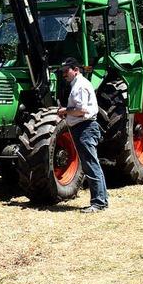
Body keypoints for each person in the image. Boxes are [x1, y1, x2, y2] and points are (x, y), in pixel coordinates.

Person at [57, 57, 108, 213]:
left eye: (67, 71)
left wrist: (65, 111)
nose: (64, 74)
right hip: (84, 127)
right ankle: (101, 200)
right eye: (63, 72)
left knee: (91, 165)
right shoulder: (79, 84)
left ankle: (98, 203)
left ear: (76, 70)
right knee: (92, 165)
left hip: (85, 128)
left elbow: (82, 110)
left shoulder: (79, 86)